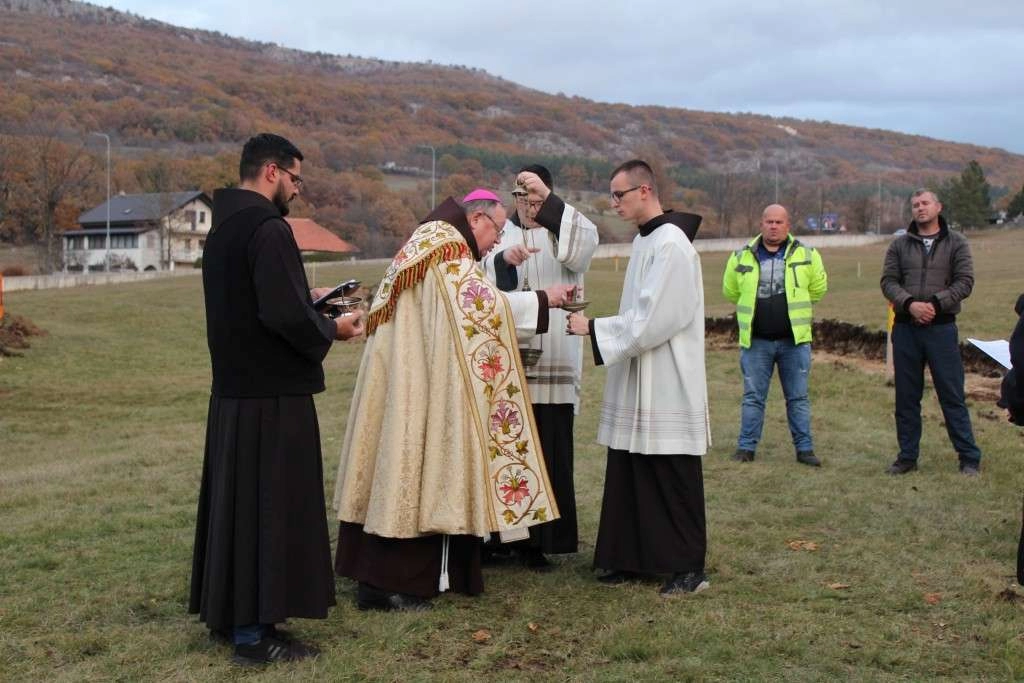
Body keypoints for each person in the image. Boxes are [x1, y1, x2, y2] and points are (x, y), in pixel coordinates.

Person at [333, 189, 576, 611]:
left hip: (405, 374)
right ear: (478, 219)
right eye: (498, 230)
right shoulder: (447, 248)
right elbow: (480, 309)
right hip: (416, 384)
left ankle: (376, 578)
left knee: (392, 470)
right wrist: (542, 300)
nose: (497, 241)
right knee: (411, 470)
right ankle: (394, 582)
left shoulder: (429, 239)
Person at [189, 133, 365, 665]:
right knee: (269, 509)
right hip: (271, 396)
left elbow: (257, 302)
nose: (296, 189)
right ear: (271, 171)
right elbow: (283, 317)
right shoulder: (267, 228)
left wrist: (304, 299)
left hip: (234, 394)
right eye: (295, 178)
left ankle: (232, 617)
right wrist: (333, 328)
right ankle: (254, 635)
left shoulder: (223, 229)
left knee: (238, 509)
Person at [566, 159, 710, 596]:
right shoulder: (646, 241)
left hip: (667, 373)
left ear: (645, 190)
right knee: (631, 465)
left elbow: (654, 320)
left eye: (619, 195)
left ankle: (688, 567)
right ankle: (629, 556)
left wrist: (593, 327)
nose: (614, 203)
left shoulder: (671, 245)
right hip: (638, 371)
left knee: (670, 470)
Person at [481, 165, 599, 569]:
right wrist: (504, 262)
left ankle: (542, 542)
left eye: (534, 198)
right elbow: (481, 281)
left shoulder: (563, 227)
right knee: (508, 448)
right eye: (520, 197)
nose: (527, 206)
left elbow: (583, 246)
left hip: (553, 356)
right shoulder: (503, 234)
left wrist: (549, 204)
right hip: (510, 359)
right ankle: (503, 538)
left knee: (550, 449)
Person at [881, 188, 982, 475]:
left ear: (938, 207)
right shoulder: (899, 246)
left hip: (941, 330)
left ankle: (969, 458)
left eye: (925, 203)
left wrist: (935, 304)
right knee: (906, 397)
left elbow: (965, 282)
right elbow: (888, 281)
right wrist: (910, 304)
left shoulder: (956, 242)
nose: (919, 208)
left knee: (951, 395)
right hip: (905, 330)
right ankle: (907, 458)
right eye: (915, 205)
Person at [722, 204, 828, 467]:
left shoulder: (807, 254)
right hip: (756, 342)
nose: (773, 226)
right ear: (761, 224)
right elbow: (730, 291)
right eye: (769, 221)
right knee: (753, 397)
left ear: (787, 225)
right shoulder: (741, 256)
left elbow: (817, 289)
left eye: (779, 222)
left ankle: (804, 450)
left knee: (798, 398)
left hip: (795, 342)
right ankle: (746, 448)